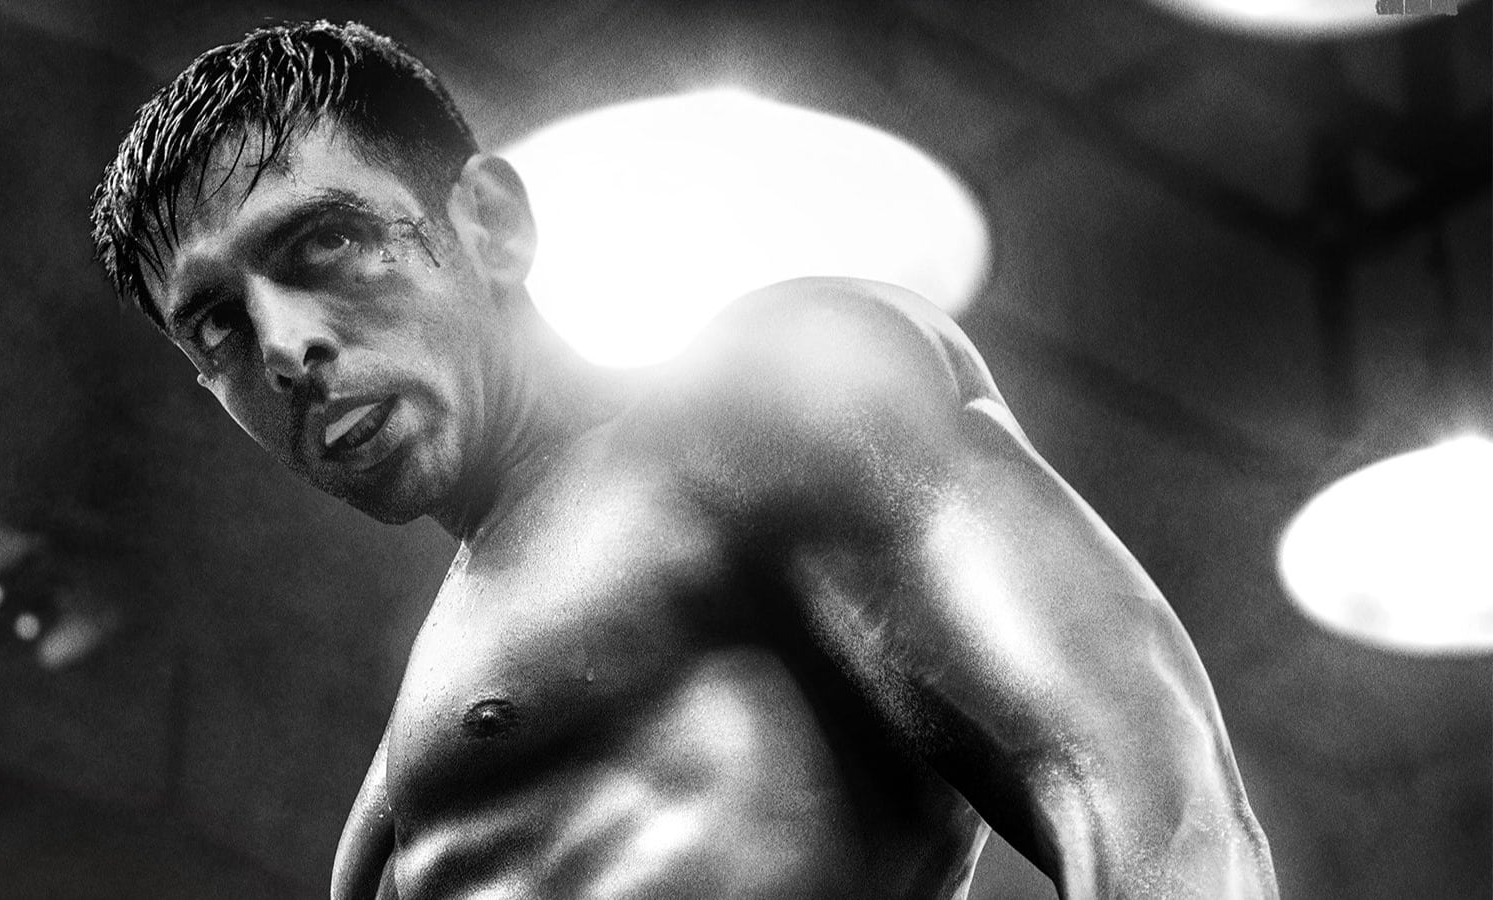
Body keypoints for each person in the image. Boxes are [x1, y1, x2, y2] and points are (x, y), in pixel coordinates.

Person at [91, 21, 1277, 900]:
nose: (284, 347)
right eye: (217, 326)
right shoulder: (393, 802)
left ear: (490, 224)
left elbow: (1151, 803)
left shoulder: (767, 398)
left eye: (326, 242)